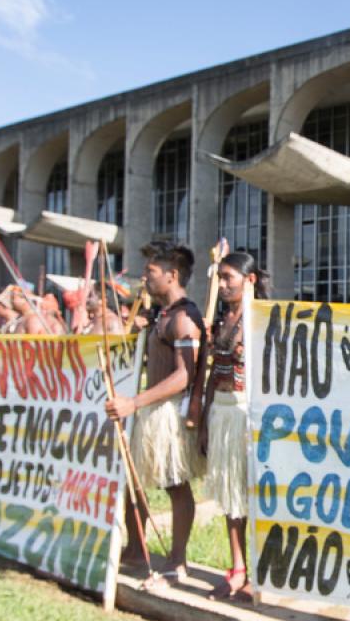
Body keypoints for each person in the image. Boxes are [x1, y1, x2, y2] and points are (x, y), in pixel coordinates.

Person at [104, 240, 205, 580]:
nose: (144, 278)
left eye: (150, 271)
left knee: (175, 483)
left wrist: (134, 402)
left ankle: (177, 559)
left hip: (168, 411)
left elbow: (183, 375)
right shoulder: (161, 314)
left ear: (172, 275)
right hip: (150, 408)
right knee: (134, 478)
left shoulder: (185, 318)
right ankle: (136, 547)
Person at [194, 250, 270, 600]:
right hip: (222, 412)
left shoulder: (262, 322)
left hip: (248, 413)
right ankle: (237, 566)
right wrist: (206, 418)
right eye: (220, 278)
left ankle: (259, 570)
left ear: (249, 280)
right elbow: (211, 375)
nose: (223, 285)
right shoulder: (221, 321)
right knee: (230, 494)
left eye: (230, 278)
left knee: (253, 495)